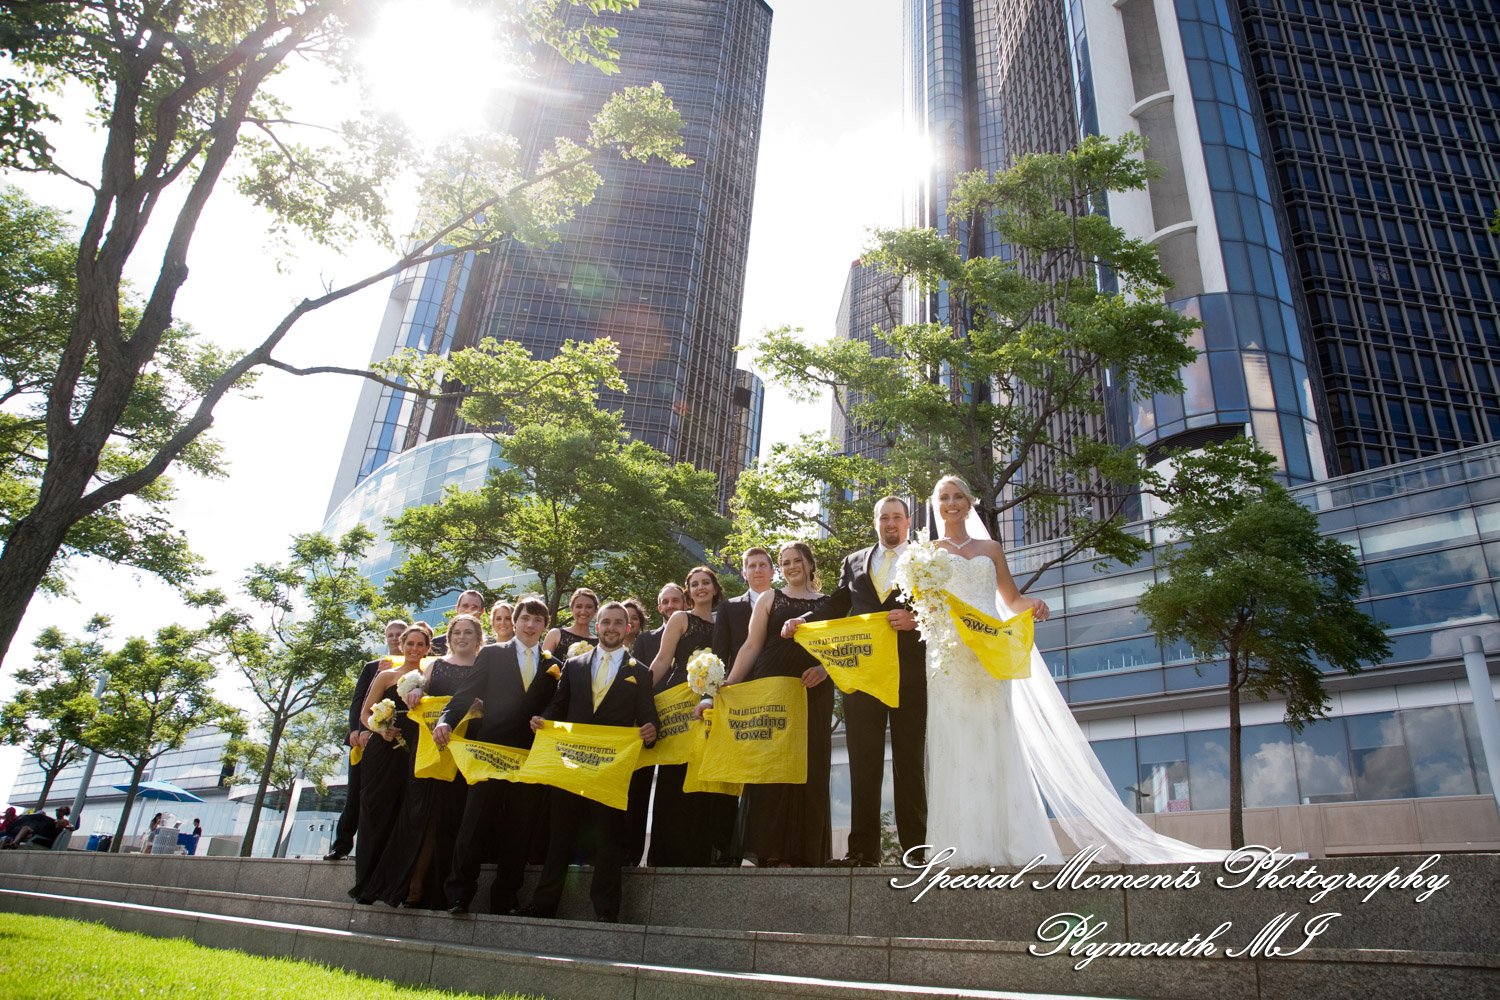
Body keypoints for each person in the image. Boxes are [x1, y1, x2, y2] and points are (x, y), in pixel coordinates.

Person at [921, 475, 1228, 866]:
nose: (951, 503)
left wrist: (1032, 605)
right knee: (956, 745)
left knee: (995, 741)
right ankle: (961, 846)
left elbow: (1010, 598)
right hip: (950, 661)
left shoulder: (991, 548)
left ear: (969, 502)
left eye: (958, 496)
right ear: (936, 504)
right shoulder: (925, 554)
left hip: (991, 657)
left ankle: (1008, 843)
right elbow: (926, 611)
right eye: (944, 497)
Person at [787, 496, 927, 867]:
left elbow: (943, 607)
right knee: (862, 761)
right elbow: (835, 605)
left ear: (908, 521)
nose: (891, 523)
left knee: (909, 762)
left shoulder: (927, 557)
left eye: (897, 517)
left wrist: (917, 619)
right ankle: (863, 852)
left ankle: (916, 851)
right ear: (875, 521)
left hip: (911, 674)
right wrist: (805, 621)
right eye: (884, 517)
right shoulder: (854, 561)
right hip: (862, 674)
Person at [520, 602, 659, 922]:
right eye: (605, 622)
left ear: (627, 629)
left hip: (610, 770)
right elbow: (559, 706)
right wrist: (543, 720)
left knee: (610, 840)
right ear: (597, 627)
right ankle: (544, 905)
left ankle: (607, 910)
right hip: (570, 765)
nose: (610, 627)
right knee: (560, 837)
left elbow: (649, 717)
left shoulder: (641, 671)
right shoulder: (575, 665)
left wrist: (652, 732)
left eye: (617, 623)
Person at [713, 542, 834, 867]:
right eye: (785, 562)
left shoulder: (829, 603)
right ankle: (769, 851)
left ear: (810, 564)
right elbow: (751, 646)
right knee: (771, 767)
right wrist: (728, 685)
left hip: (814, 691)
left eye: (797, 560)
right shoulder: (769, 598)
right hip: (773, 689)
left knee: (811, 765)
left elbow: (840, 653)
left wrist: (825, 671)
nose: (791, 566)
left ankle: (802, 852)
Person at [436, 597, 559, 915]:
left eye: (537, 621)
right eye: (525, 619)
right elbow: (466, 694)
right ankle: (460, 894)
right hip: (489, 752)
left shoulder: (552, 665)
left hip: (529, 758)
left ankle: (505, 897)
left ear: (545, 626)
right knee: (474, 823)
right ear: (514, 622)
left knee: (520, 829)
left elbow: (556, 706)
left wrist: (545, 717)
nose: (530, 625)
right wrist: (446, 720)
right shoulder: (492, 653)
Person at [647, 566, 732, 867]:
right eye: (694, 584)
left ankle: (703, 855)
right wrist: (641, 698)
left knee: (706, 780)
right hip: (679, 708)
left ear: (714, 587)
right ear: (688, 591)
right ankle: (668, 856)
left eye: (705, 583)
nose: (700, 588)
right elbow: (661, 661)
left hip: (714, 710)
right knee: (675, 779)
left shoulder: (727, 620)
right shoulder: (680, 619)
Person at [349, 622, 431, 903]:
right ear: (402, 645)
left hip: (412, 752)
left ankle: (393, 883)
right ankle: (366, 884)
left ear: (427, 648)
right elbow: (364, 715)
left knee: (402, 814)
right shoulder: (385, 676)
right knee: (375, 812)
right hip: (382, 751)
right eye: (410, 643)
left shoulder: (429, 678)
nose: (414, 649)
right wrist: (380, 730)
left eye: (421, 645)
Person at [326, 619, 409, 861]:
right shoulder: (373, 667)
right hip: (366, 739)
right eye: (391, 634)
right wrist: (357, 729)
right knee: (355, 794)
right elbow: (359, 701)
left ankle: (380, 849)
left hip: (396, 741)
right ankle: (341, 845)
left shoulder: (416, 667)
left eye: (399, 634)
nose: (395, 638)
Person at [623, 583, 685, 866]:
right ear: (659, 607)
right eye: (666, 602)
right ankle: (630, 854)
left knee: (673, 790)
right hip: (650, 722)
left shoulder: (692, 633)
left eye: (676, 600)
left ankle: (665, 855)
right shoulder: (646, 640)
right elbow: (640, 681)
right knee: (639, 788)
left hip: (683, 723)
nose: (671, 605)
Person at [543, 587, 599, 656]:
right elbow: (542, 663)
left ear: (596, 610)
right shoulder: (555, 634)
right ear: (572, 608)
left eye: (589, 607)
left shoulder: (598, 644)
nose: (583, 611)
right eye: (579, 606)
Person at [431, 591, 487, 656]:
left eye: (474, 607)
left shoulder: (492, 645)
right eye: (465, 606)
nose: (469, 610)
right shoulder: (437, 644)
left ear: (482, 611)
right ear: (457, 608)